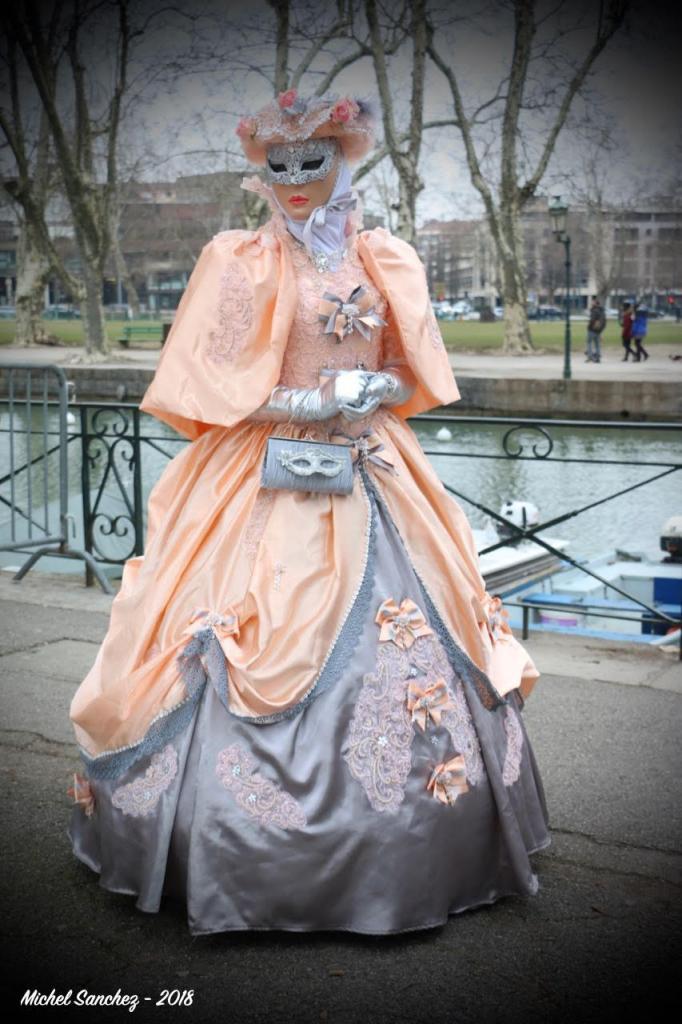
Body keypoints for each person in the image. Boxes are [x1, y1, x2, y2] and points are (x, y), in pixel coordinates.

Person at [66, 89, 550, 936]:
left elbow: (411, 369)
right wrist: (309, 395)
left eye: (311, 161)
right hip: (265, 471)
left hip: (371, 466)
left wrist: (374, 388)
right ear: (260, 168)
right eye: (278, 165)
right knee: (230, 634)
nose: (294, 180)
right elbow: (211, 385)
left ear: (343, 156)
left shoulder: (384, 257)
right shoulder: (240, 260)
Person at [585, 295, 606, 363]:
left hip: (592, 329)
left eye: (592, 302)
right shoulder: (602, 311)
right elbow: (604, 321)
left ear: (595, 303)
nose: (591, 303)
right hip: (599, 330)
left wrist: (588, 326)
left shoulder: (594, 310)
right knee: (597, 344)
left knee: (589, 342)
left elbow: (592, 320)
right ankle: (597, 357)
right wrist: (601, 330)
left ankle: (590, 356)